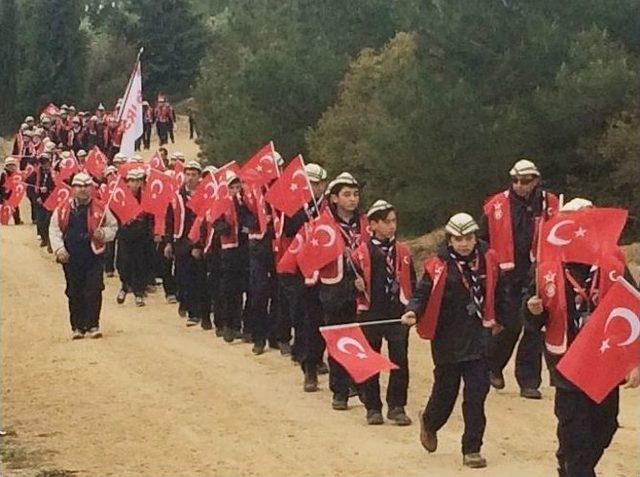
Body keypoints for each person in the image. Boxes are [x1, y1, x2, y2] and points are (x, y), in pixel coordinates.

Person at [524, 197, 640, 477]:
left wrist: (634, 362)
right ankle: (575, 469)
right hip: (566, 362)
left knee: (605, 425)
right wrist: (533, 310)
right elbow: (531, 320)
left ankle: (572, 465)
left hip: (603, 360)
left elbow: (633, 308)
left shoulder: (613, 264)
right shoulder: (545, 267)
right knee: (574, 430)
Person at [402, 213, 508, 469]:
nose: (463, 244)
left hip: (480, 339)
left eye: (468, 238)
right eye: (458, 239)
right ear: (449, 240)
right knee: (446, 391)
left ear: (475, 238)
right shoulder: (436, 266)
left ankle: (472, 448)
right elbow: (422, 294)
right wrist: (413, 311)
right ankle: (430, 421)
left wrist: (502, 318)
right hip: (447, 339)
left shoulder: (489, 261)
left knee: (476, 395)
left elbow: (501, 292)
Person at [480, 158, 559, 399]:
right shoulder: (496, 205)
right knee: (511, 324)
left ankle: (529, 381)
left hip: (538, 271)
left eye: (525, 181)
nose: (519, 185)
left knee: (534, 327)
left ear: (535, 180)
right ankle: (493, 364)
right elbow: (483, 239)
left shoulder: (550, 203)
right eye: (515, 180)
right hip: (507, 274)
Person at [351, 200, 415, 426]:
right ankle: (373, 406)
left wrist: (411, 309)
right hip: (371, 313)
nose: (391, 226)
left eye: (394, 221)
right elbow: (348, 287)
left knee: (400, 360)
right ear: (374, 224)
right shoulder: (359, 254)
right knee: (371, 361)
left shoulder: (403, 252)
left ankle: (397, 405)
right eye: (386, 222)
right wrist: (354, 285)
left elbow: (412, 284)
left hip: (396, 313)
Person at [317, 172, 370, 410]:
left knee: (361, 338)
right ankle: (339, 389)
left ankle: (362, 384)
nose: (352, 199)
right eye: (346, 195)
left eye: (355, 194)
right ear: (335, 198)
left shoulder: (366, 223)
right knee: (338, 337)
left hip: (361, 287)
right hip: (334, 286)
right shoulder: (323, 223)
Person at [49, 172, 118, 339]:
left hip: (93, 255)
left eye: (86, 186)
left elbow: (113, 226)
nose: (83, 189)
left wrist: (104, 233)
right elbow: (54, 230)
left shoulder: (101, 208)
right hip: (71, 257)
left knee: (94, 289)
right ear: (73, 188)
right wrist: (59, 249)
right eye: (79, 186)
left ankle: (93, 324)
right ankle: (77, 327)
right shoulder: (63, 209)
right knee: (74, 291)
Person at [278, 163, 328, 391]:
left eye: (316, 184)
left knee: (326, 319)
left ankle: (320, 358)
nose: (313, 188)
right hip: (301, 268)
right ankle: (308, 366)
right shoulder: (295, 206)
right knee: (306, 316)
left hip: (328, 268)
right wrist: (304, 215)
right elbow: (287, 229)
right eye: (308, 184)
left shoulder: (329, 207)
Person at [164, 160, 210, 328]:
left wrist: (200, 244)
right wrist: (168, 242)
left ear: (199, 177)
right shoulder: (176, 197)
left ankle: (195, 312)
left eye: (194, 175)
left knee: (197, 278)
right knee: (182, 277)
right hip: (181, 241)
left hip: (197, 242)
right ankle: (183, 299)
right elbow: (170, 220)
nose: (190, 178)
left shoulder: (204, 196)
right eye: (188, 174)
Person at [116, 168, 152, 307]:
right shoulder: (121, 196)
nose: (134, 184)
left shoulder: (146, 197)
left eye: (137, 180)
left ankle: (139, 293)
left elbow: (151, 215)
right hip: (125, 234)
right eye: (131, 181)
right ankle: (124, 286)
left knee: (140, 264)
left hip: (141, 235)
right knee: (124, 262)